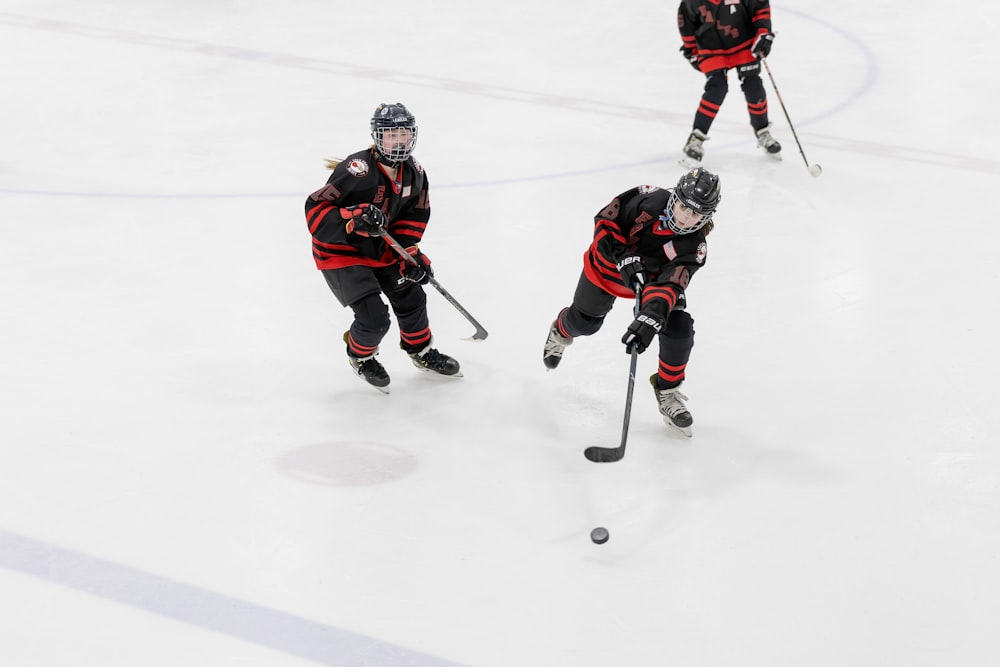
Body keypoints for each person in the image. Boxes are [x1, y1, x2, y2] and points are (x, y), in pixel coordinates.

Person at [542, 168, 721, 436]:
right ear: (675, 197)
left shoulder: (694, 248)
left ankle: (667, 390)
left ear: (706, 217)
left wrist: (650, 317)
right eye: (684, 207)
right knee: (586, 323)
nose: (686, 218)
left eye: (696, 214)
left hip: (649, 284)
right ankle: (561, 330)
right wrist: (623, 256)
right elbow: (604, 221)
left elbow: (669, 285)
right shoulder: (646, 198)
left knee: (679, 328)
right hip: (606, 271)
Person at [304, 102, 461, 393]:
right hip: (340, 251)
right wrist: (354, 217)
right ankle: (360, 357)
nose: (399, 140)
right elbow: (315, 210)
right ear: (378, 136)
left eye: (403, 133)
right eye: (391, 134)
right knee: (374, 318)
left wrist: (411, 254)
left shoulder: (415, 172)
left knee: (413, 298)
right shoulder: (357, 169)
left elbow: (413, 217)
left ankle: (421, 352)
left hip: (380, 248)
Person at [677, 0, 781, 163]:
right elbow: (686, 20)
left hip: (744, 43)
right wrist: (690, 49)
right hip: (710, 48)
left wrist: (763, 32)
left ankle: (763, 132)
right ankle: (696, 138)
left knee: (753, 85)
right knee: (717, 88)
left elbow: (760, 7)